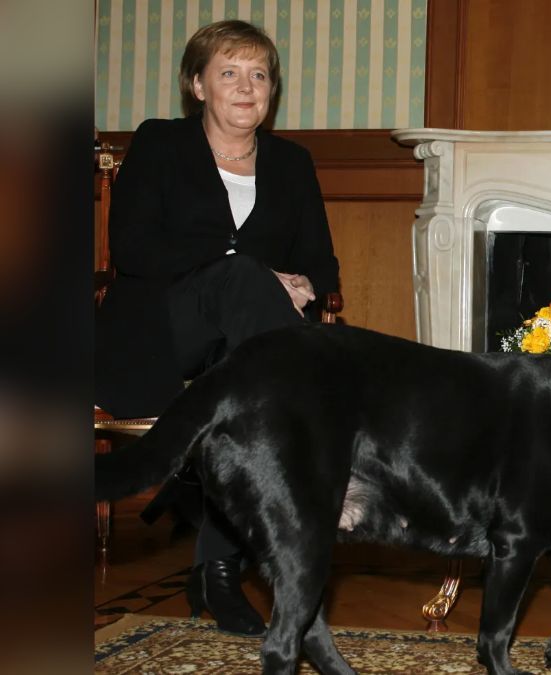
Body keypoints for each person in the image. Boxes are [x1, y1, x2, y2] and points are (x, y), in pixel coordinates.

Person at [96, 20, 340, 637]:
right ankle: (296, 523)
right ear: (197, 84)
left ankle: (217, 570)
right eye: (228, 72)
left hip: (244, 348)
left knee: (254, 401)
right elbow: (133, 248)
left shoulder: (292, 163)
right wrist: (251, 272)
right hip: (160, 332)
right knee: (273, 351)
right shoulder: (160, 143)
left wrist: (304, 283)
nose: (246, 86)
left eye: (259, 75)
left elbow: (322, 264)